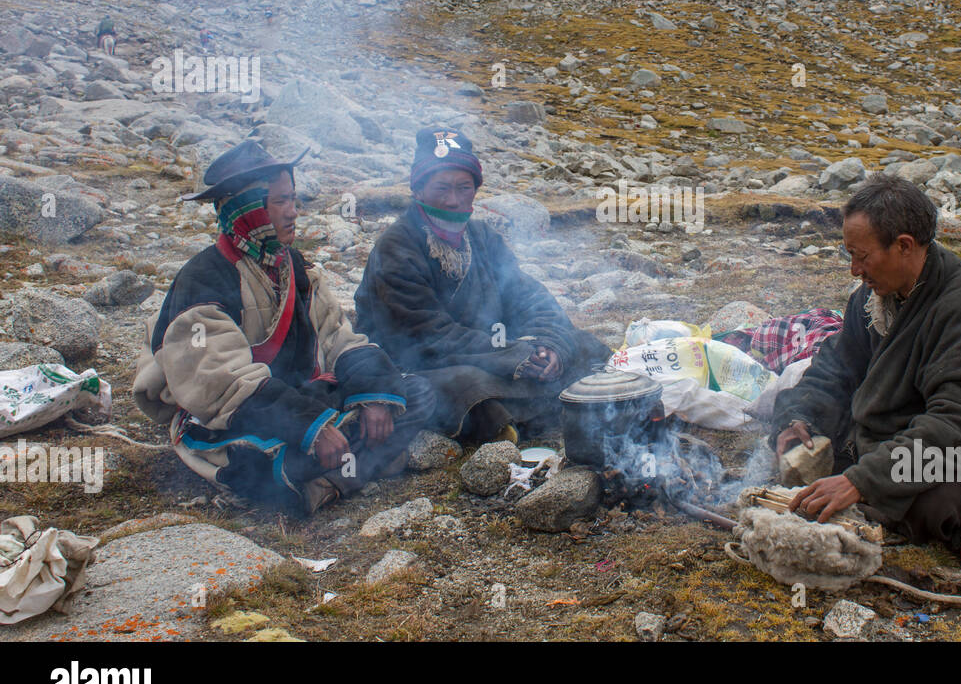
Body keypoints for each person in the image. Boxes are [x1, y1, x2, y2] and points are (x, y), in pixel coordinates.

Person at [771, 175, 961, 548]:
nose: (854, 270)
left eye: (862, 257)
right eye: (850, 255)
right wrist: (800, 415)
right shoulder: (873, 298)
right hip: (917, 425)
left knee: (934, 504)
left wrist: (862, 481)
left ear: (904, 246)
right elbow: (837, 366)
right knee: (829, 443)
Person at [133, 141, 438, 514]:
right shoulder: (203, 282)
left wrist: (374, 395)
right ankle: (340, 468)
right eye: (280, 202)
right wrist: (312, 428)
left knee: (414, 393)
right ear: (248, 210)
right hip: (231, 415)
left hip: (295, 397)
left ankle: (326, 479)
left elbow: (338, 338)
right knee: (267, 462)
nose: (294, 213)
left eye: (293, 200)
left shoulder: (295, 267)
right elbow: (223, 385)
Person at [355, 128, 611, 442]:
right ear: (418, 190)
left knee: (581, 345)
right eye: (442, 188)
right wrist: (513, 356)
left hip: (492, 351)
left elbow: (529, 297)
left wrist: (547, 345)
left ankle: (540, 399)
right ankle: (533, 408)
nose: (453, 200)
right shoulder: (396, 248)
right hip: (423, 364)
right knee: (467, 385)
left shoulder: (483, 237)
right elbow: (427, 336)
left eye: (464, 188)